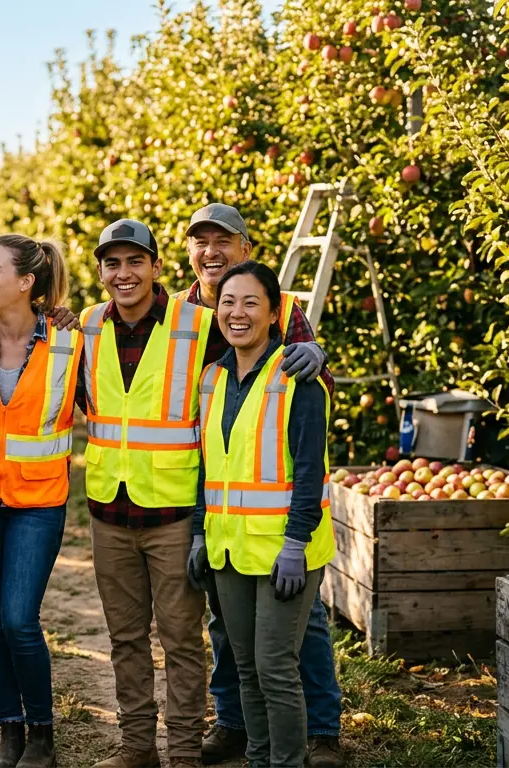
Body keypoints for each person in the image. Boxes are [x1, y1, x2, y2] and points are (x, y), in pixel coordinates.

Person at [73, 217, 328, 768]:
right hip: (110, 509)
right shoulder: (87, 327)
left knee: (187, 642)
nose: (124, 274)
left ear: (156, 266)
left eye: (135, 261)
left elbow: (261, 342)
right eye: (112, 263)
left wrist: (317, 355)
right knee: (127, 638)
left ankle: (186, 754)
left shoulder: (201, 322)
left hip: (173, 511)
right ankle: (136, 747)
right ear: (99, 272)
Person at [182, 204, 343, 768]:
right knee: (243, 657)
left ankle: (313, 739)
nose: (211, 251)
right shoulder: (197, 347)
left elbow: (306, 458)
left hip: (283, 540)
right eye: (200, 241)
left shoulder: (291, 360)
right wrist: (203, 530)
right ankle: (251, 746)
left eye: (222, 241)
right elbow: (212, 459)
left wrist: (297, 540)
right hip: (229, 538)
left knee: (282, 659)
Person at [0, 235, 80, 768]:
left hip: (39, 499)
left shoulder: (72, 342)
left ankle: (42, 733)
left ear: (26, 282)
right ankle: (9, 732)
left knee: (19, 618)